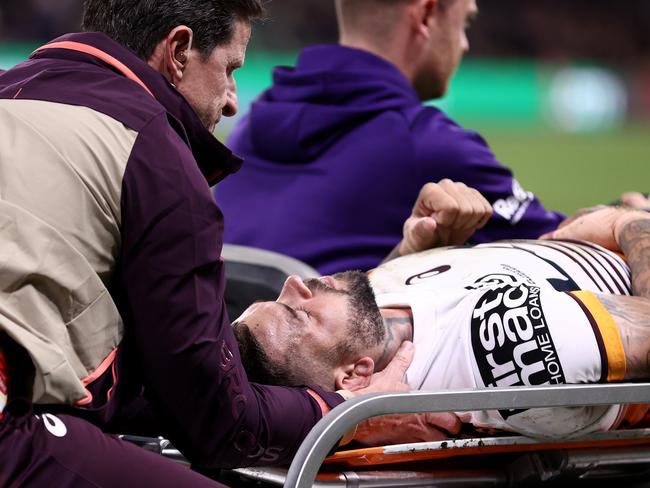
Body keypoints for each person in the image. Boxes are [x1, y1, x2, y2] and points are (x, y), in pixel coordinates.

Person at [0, 1, 459, 485]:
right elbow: (217, 421)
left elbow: (139, 379)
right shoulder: (155, 152)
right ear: (178, 51)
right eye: (229, 68)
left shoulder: (10, 90)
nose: (233, 99)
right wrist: (348, 410)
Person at [233, 207, 650, 440]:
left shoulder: (375, 304)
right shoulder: (504, 345)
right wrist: (627, 222)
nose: (292, 284)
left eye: (277, 298)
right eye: (297, 313)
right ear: (357, 376)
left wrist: (411, 248)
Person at [215, 0, 566, 275]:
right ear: (427, 15)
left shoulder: (252, 123)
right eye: (465, 23)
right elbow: (568, 249)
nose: (465, 44)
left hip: (226, 357)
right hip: (327, 366)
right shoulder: (428, 144)